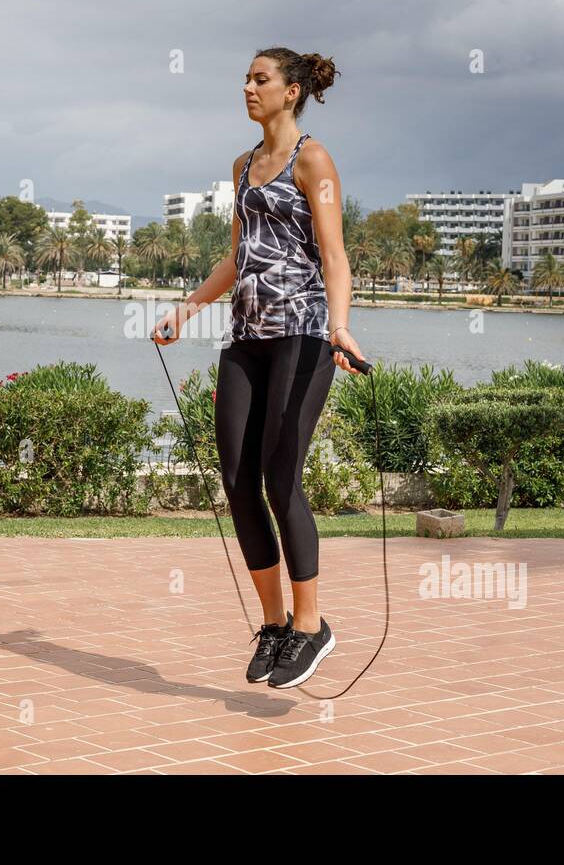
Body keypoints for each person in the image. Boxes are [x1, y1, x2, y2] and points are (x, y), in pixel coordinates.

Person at [152, 47, 365, 688]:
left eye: (261, 78)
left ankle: (311, 626)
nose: (248, 87)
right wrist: (186, 310)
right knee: (240, 483)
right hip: (247, 340)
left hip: (302, 338)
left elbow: (333, 255)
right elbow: (238, 256)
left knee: (281, 478)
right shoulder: (243, 167)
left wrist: (341, 325)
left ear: (292, 91)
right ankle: (274, 627)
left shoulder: (313, 160)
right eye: (246, 77)